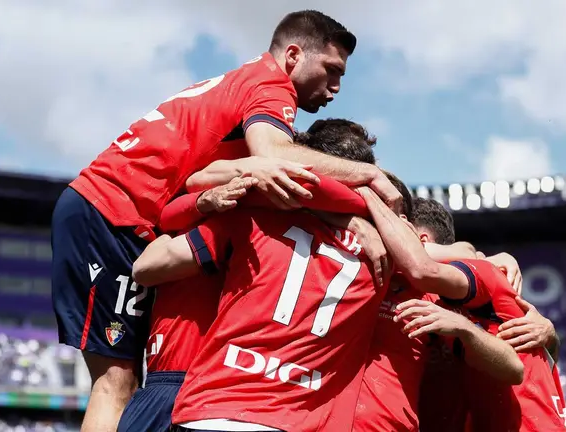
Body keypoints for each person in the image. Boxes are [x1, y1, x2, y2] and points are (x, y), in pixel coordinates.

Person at [50, 10, 402, 431]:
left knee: (128, 382)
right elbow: (274, 156)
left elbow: (225, 175)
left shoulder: (243, 82)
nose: (335, 88)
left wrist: (344, 213)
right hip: (114, 213)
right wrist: (368, 179)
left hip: (119, 211)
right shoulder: (270, 88)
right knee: (115, 383)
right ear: (292, 55)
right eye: (331, 70)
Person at [117, 119, 384, 432]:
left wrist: (199, 205)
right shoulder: (384, 251)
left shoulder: (250, 217)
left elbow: (146, 267)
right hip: (296, 416)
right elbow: (429, 264)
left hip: (208, 400)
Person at [343, 188, 524, 432]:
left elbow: (516, 367)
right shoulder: (360, 261)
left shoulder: (440, 298)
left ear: (421, 240)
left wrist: (465, 329)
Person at [394, 198, 566, 431]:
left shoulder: (482, 277)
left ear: (422, 240)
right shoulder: (420, 295)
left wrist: (549, 335)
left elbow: (530, 362)